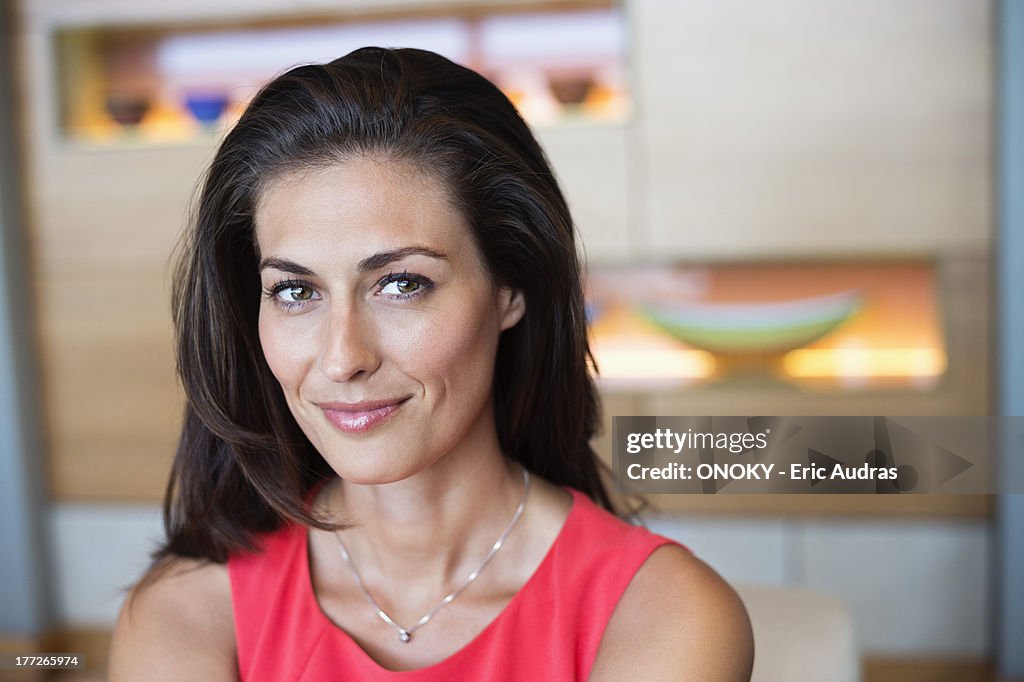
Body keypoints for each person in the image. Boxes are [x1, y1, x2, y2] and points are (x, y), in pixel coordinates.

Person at [109, 47, 753, 681]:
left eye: (401, 284)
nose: (342, 358)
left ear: (510, 288)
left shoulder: (663, 614)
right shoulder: (189, 608)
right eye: (296, 291)